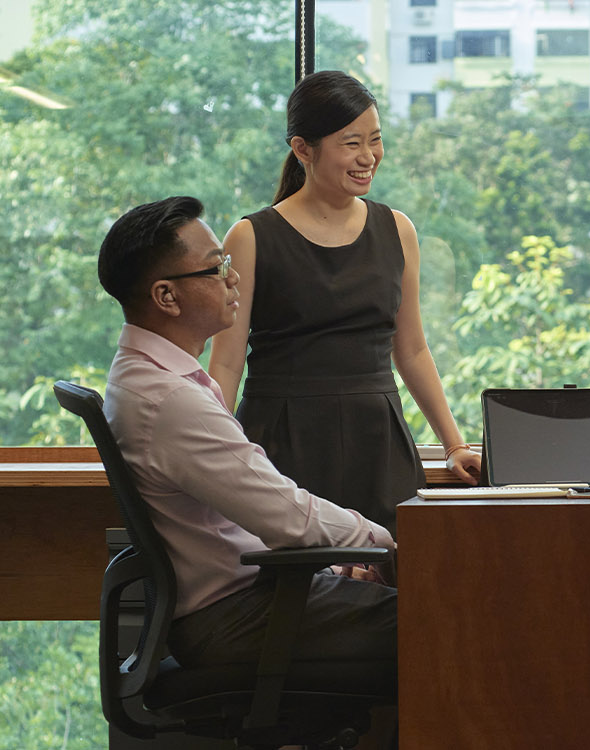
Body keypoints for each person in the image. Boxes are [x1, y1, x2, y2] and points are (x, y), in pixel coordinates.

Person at [96, 196, 396, 714]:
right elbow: (287, 517)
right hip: (235, 617)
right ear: (166, 296)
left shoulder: (150, 377)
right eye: (218, 268)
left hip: (242, 601)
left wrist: (335, 566)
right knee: (452, 620)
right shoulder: (170, 399)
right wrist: (385, 543)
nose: (234, 279)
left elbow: (256, 517)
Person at [207, 71, 481, 533]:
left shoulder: (398, 230)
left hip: (377, 442)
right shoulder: (251, 236)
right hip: (281, 439)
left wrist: (454, 445)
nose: (369, 156)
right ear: (302, 149)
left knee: (392, 587)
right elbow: (227, 363)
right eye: (351, 143)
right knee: (293, 590)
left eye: (375, 140)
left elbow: (411, 349)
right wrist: (215, 455)